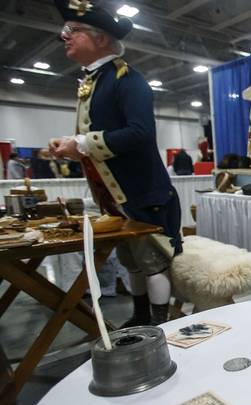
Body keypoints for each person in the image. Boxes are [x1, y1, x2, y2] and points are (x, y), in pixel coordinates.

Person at [48, 0, 181, 326]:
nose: (65, 35)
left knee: (153, 264)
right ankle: (140, 317)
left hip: (143, 193)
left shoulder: (127, 79)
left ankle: (161, 326)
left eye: (74, 30)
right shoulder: (96, 80)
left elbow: (140, 133)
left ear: (101, 38)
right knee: (132, 262)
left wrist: (81, 144)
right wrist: (72, 144)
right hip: (117, 198)